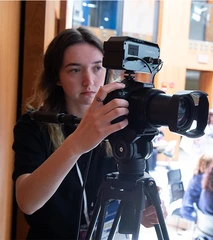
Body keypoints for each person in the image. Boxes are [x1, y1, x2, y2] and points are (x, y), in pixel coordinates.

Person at [12, 27, 166, 239]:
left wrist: (141, 211)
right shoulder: (34, 125)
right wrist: (76, 144)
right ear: (56, 77)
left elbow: (126, 195)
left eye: (97, 68)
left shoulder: (122, 120)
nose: (89, 80)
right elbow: (27, 202)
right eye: (75, 70)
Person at [180, 153, 213, 221]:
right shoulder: (202, 179)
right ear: (207, 165)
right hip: (190, 211)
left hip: (191, 207)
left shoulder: (199, 173)